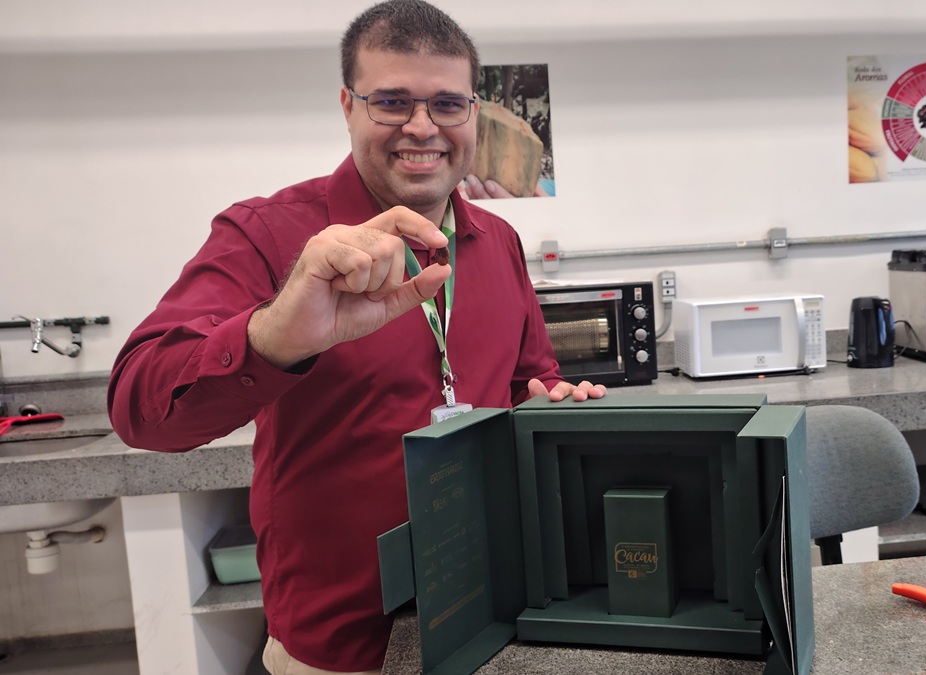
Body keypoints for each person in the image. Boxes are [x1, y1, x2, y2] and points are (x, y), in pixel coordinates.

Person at [107, 1, 605, 672]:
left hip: (485, 616)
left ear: (473, 115)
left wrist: (550, 406)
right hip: (339, 646)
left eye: (447, 104)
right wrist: (275, 335)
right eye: (392, 102)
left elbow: (526, 382)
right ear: (348, 106)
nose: (422, 127)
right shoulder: (266, 233)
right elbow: (139, 410)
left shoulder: (499, 240)